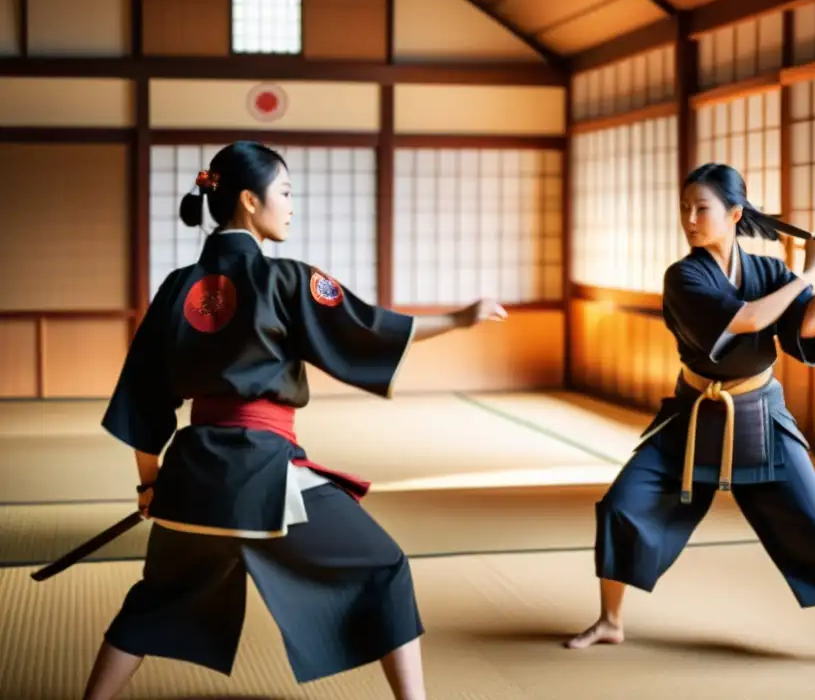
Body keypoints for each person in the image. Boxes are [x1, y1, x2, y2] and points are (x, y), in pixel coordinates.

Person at [81, 141, 507, 700]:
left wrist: (150, 484)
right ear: (249, 201)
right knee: (385, 567)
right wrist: (457, 318)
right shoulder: (285, 280)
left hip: (191, 479)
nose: (291, 205)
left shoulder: (175, 287)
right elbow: (367, 326)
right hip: (262, 470)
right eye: (285, 193)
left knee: (156, 596)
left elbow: (143, 397)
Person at [564, 163, 815, 686]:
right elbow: (747, 320)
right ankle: (611, 620)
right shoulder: (683, 276)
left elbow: (805, 330)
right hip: (694, 412)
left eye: (700, 208)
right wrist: (804, 269)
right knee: (624, 506)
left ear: (734, 214)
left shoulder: (767, 271)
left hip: (761, 414)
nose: (689, 218)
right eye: (684, 208)